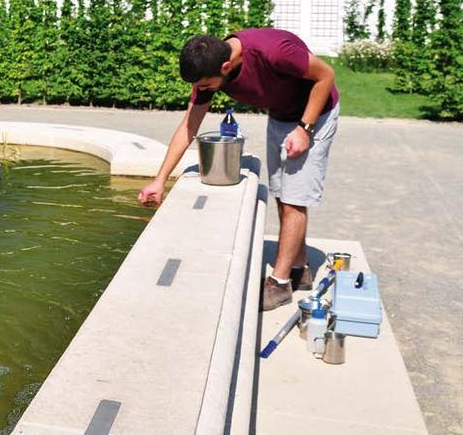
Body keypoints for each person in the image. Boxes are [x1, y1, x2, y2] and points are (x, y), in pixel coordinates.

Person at [137, 29, 340, 311]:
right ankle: (298, 267)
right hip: (282, 114)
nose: (203, 90)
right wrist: (159, 181)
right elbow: (189, 127)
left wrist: (305, 129)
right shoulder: (209, 69)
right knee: (282, 192)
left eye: (206, 85)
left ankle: (279, 284)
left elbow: (326, 75)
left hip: (315, 113)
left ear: (226, 66)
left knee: (295, 200)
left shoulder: (274, 51)